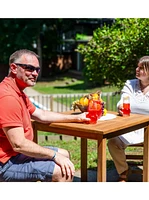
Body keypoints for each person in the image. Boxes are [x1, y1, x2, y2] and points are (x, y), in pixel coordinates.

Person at [0, 49, 90, 182]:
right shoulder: (7, 97)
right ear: (14, 68)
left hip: (17, 154)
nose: (35, 73)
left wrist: (77, 117)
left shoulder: (18, 92)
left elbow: (41, 114)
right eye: (30, 68)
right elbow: (18, 144)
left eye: (37, 69)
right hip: (6, 163)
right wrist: (54, 156)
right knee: (62, 172)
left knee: (64, 154)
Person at [108, 56, 149, 182]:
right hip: (131, 129)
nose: (137, 69)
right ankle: (123, 172)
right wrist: (120, 106)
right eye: (137, 66)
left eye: (141, 68)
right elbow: (123, 100)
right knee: (113, 142)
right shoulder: (130, 84)